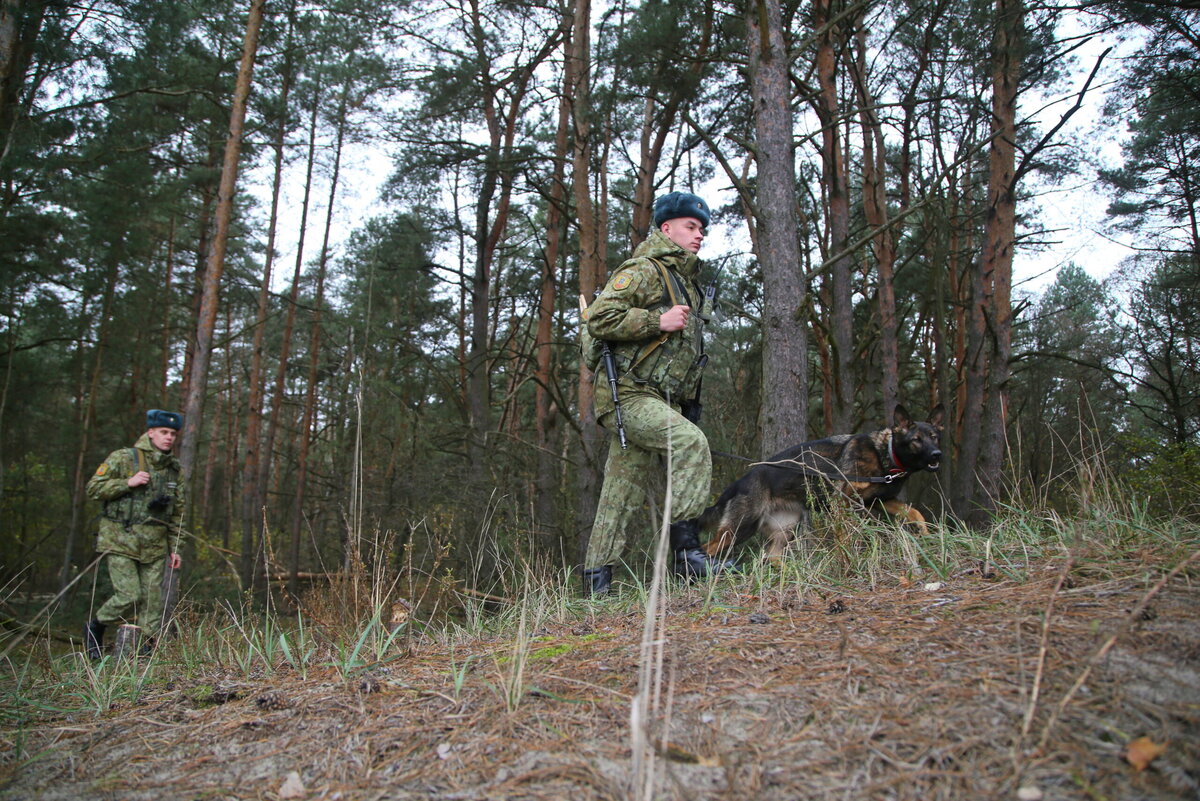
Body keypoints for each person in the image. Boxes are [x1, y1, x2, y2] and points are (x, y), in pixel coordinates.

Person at [581, 191, 726, 595]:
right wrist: (655, 320)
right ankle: (686, 556)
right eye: (691, 227)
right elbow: (600, 318)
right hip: (627, 396)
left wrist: (685, 402)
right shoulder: (644, 270)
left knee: (619, 494)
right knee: (691, 445)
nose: (699, 236)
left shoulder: (687, 285)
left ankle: (595, 585)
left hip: (657, 399)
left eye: (702, 229)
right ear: (667, 228)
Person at [83, 409, 186, 658]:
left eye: (173, 433)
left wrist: (176, 547)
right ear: (150, 433)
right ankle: (95, 626)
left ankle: (145, 650)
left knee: (153, 601)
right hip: (121, 539)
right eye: (163, 432)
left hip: (155, 543)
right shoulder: (123, 458)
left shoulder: (173, 469)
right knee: (129, 594)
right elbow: (93, 488)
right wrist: (127, 483)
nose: (169, 437)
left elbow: (178, 512)